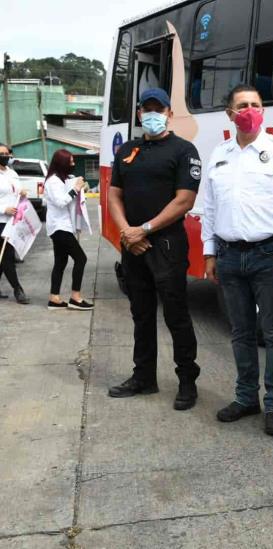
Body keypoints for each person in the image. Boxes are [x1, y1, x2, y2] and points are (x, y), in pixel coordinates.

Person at [202, 84, 273, 436]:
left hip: (270, 254)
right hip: (229, 256)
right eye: (242, 105)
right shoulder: (219, 154)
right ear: (229, 114)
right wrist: (209, 252)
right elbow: (210, 208)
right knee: (240, 333)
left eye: (256, 104)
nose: (249, 110)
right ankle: (246, 398)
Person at [107, 88, 202, 411]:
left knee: (176, 315)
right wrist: (126, 232)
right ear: (138, 114)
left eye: (158, 109)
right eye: (146, 109)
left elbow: (184, 200)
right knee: (141, 314)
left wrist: (144, 229)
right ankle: (143, 377)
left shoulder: (183, 150)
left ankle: (187, 381)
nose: (152, 114)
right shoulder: (128, 151)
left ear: (168, 114)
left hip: (165, 244)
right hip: (132, 245)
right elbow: (114, 195)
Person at [44, 149, 93, 311]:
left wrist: (75, 184)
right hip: (59, 228)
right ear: (62, 164)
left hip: (62, 226)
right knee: (81, 259)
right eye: (70, 162)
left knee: (61, 262)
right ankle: (75, 297)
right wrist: (76, 189)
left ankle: (54, 298)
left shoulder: (60, 179)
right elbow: (60, 201)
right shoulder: (53, 182)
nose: (73, 165)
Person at [0, 143, 29, 304]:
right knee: (7, 256)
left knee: (3, 255)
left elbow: (16, 190)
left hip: (12, 221)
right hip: (1, 220)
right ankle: (18, 290)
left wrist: (22, 192)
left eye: (6, 153)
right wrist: (4, 209)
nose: (5, 156)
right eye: (1, 153)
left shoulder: (11, 172)